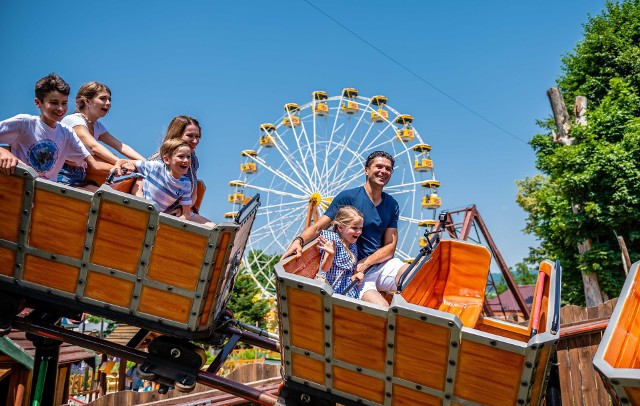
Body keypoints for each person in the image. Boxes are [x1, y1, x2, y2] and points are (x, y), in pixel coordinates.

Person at [283, 151, 409, 307]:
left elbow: (390, 247)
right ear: (366, 170)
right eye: (379, 166)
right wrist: (299, 240)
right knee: (383, 309)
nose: (383, 171)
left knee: (412, 275)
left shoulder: (392, 204)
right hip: (354, 272)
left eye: (388, 169)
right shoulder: (348, 198)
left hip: (379, 264)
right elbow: (318, 227)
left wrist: (366, 262)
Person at [0, 73, 112, 187]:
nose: (60, 108)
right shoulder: (25, 123)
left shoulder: (67, 133)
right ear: (38, 103)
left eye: (64, 103)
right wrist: (3, 152)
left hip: (46, 191)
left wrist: (120, 165)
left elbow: (94, 164)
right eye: (54, 103)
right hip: (17, 187)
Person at [57, 81, 144, 187]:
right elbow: (94, 146)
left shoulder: (97, 126)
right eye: (103, 98)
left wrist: (147, 164)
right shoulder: (74, 120)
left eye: (109, 99)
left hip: (81, 174)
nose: (108, 103)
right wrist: (121, 163)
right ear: (87, 101)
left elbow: (120, 146)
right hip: (62, 174)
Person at [112, 138, 213, 227]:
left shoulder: (185, 184)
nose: (186, 160)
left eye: (188, 156)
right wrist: (118, 165)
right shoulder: (156, 167)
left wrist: (174, 222)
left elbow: (185, 214)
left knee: (211, 226)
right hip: (142, 209)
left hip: (160, 216)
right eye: (181, 156)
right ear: (166, 159)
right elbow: (123, 161)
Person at [136, 115, 211, 223]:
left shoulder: (192, 160)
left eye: (197, 136)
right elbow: (141, 179)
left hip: (181, 211)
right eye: (190, 136)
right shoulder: (161, 159)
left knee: (214, 229)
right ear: (177, 136)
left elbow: (193, 193)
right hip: (158, 212)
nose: (195, 141)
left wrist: (183, 209)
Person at [315, 206, 365, 299]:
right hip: (331, 292)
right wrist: (331, 255)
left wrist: (355, 277)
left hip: (347, 291)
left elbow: (347, 274)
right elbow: (324, 269)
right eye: (354, 228)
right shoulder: (333, 240)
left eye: (360, 228)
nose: (359, 232)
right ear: (340, 227)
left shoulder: (353, 246)